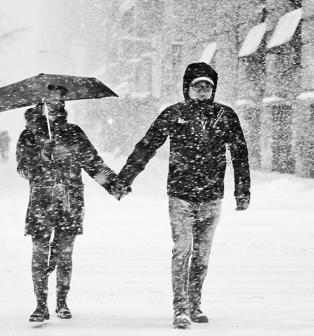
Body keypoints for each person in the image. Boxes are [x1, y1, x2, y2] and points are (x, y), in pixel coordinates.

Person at [115, 62, 251, 329]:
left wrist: (242, 191)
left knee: (202, 255)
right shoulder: (174, 113)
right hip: (181, 194)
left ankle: (195, 304)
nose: (202, 91)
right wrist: (125, 179)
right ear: (186, 88)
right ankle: (181, 308)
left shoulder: (225, 115)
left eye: (207, 86)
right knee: (182, 251)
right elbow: (147, 145)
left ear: (213, 89)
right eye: (197, 86)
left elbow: (240, 154)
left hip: (212, 195)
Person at [16, 85, 119, 323]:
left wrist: (113, 185)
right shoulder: (29, 136)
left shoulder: (74, 133)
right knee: (40, 254)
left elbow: (93, 163)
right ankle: (40, 305)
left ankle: (62, 302)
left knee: (64, 255)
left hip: (70, 202)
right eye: (50, 102)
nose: (55, 106)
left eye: (58, 102)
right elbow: (23, 169)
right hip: (41, 203)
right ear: (40, 105)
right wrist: (42, 155)